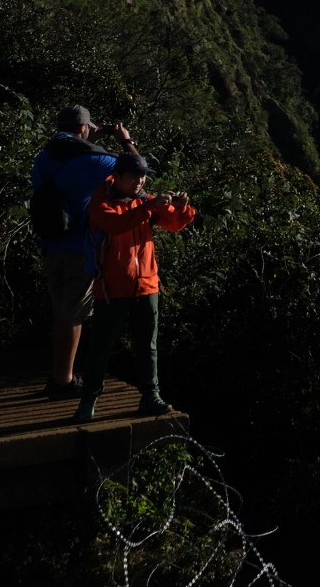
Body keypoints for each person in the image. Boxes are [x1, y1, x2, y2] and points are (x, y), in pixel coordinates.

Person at [74, 152, 195, 422]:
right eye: (133, 177)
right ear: (116, 177)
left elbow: (174, 223)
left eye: (142, 177)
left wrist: (182, 207)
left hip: (147, 285)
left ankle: (151, 396)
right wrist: (150, 206)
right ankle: (88, 401)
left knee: (147, 345)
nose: (139, 182)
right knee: (101, 347)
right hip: (111, 288)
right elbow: (116, 225)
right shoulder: (101, 202)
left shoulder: (144, 201)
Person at [30, 105, 136, 396]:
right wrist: (125, 140)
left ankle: (59, 375)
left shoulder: (43, 157)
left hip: (51, 243)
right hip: (80, 246)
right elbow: (135, 176)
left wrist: (88, 134)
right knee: (73, 314)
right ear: (82, 129)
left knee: (62, 310)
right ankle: (63, 380)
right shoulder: (96, 161)